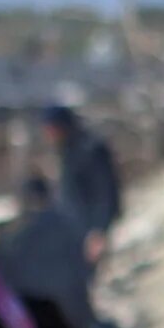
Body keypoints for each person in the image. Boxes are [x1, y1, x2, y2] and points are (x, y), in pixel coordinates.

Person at [0, 176, 96, 328]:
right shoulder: (66, 222)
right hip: (70, 306)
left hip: (41, 309)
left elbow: (4, 269)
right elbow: (84, 263)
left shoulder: (16, 233)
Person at [41, 106, 122, 262]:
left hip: (92, 234)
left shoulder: (90, 149)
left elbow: (105, 192)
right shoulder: (66, 151)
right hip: (73, 233)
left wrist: (99, 230)